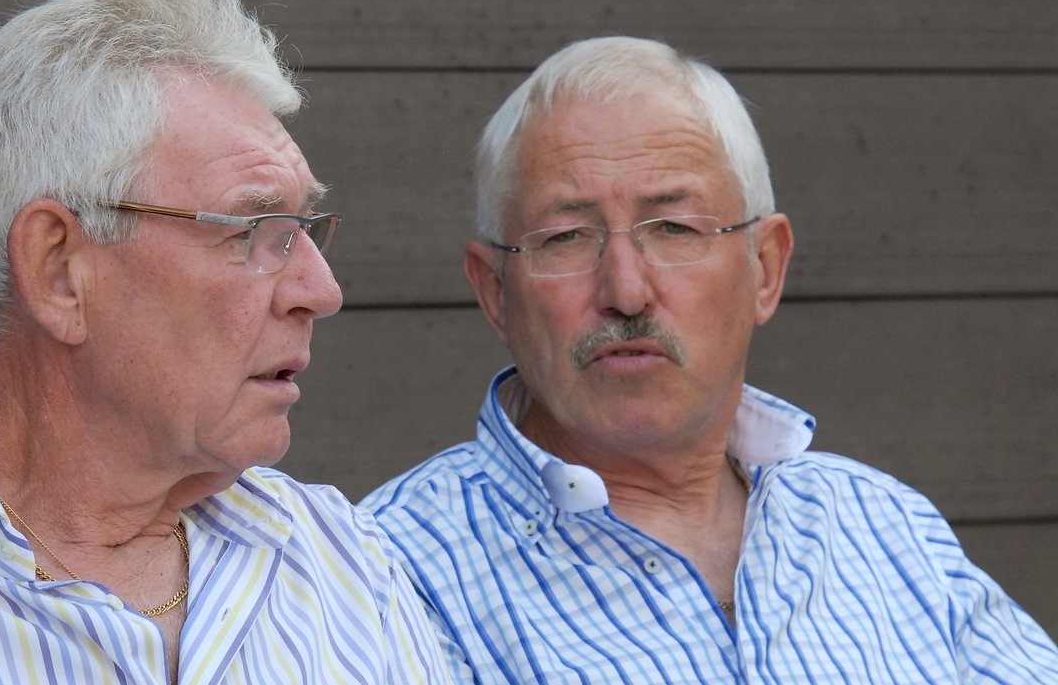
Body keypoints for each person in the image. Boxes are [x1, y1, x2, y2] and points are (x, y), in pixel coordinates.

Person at [0, 0, 451, 684]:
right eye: (254, 227)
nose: (321, 289)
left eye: (306, 227)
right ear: (60, 270)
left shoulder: (342, 559)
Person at [361, 36, 1058, 683]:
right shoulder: (392, 573)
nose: (626, 289)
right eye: (567, 236)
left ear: (765, 267)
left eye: (674, 226)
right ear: (495, 292)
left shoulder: (881, 524)